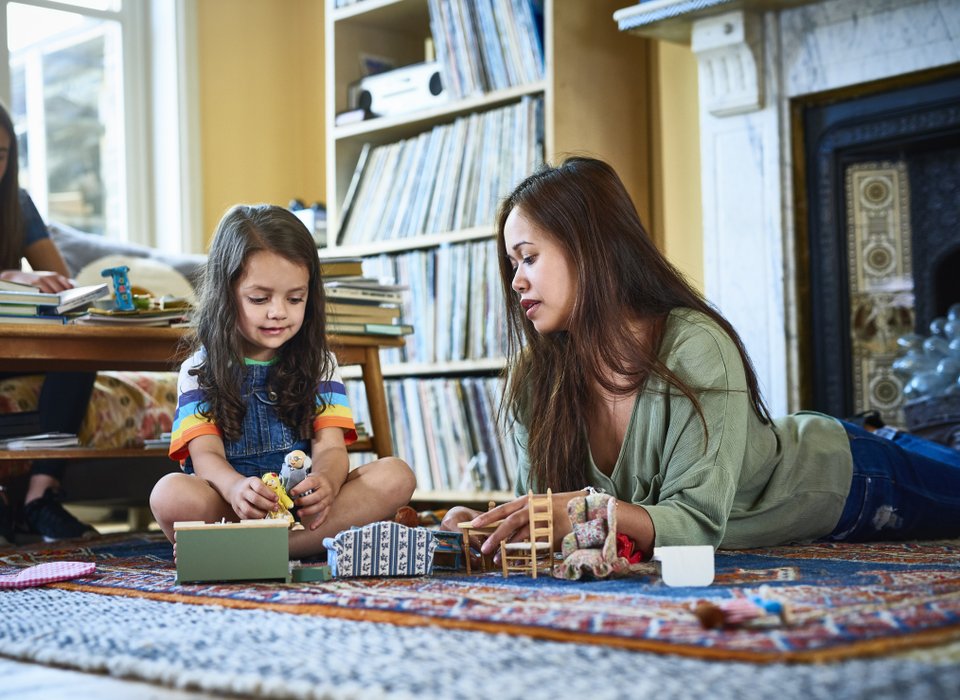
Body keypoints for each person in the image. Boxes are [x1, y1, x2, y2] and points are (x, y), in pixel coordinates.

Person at [441, 156, 960, 564]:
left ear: (591, 249)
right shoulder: (536, 380)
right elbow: (545, 515)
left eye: (529, 257)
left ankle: (903, 437)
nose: (516, 281)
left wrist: (590, 511)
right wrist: (492, 528)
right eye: (512, 264)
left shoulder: (694, 345)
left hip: (845, 478)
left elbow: (696, 525)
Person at [149, 204, 416, 559]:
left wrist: (327, 482)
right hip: (235, 510)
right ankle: (277, 547)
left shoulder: (320, 364)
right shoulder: (199, 370)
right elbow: (206, 457)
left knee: (396, 475)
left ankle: (247, 552)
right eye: (260, 299)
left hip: (304, 514)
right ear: (226, 294)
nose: (279, 311)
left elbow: (332, 450)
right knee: (169, 494)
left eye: (295, 298)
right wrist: (234, 489)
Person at [0, 100, 98, 544]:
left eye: (1, 154)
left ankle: (39, 497)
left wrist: (48, 284)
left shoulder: (18, 205)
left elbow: (64, 283)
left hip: (18, 346)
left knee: (80, 346)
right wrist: (8, 276)